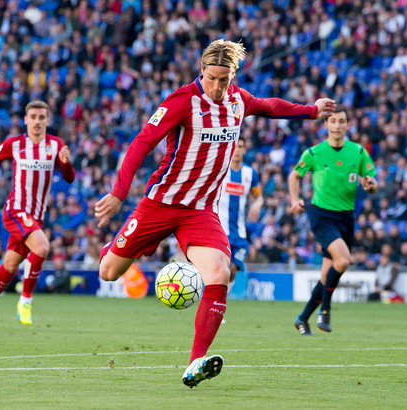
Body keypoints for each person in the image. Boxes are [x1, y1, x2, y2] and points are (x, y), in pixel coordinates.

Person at [95, 39, 335, 387]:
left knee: (220, 273)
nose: (218, 86)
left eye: (225, 79)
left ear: (233, 75)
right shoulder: (182, 101)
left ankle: (195, 363)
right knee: (108, 272)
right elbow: (142, 142)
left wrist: (310, 111)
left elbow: (270, 105)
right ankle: (123, 247)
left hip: (200, 211)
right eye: (212, 78)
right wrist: (119, 191)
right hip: (160, 203)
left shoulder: (239, 100)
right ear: (201, 72)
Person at [0, 100, 75, 331]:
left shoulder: (55, 144)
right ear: (26, 120)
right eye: (33, 117)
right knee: (42, 247)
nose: (37, 121)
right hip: (15, 209)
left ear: (48, 120)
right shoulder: (15, 144)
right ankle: (25, 301)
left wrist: (67, 163)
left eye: (42, 117)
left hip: (36, 217)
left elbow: (69, 178)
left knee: (10, 265)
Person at [289, 105, 377, 335]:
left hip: (346, 218)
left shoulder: (358, 153)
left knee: (327, 274)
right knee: (344, 260)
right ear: (326, 125)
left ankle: (302, 318)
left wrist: (370, 185)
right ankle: (325, 311)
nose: (337, 125)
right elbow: (294, 175)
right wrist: (294, 199)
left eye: (341, 121)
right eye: (333, 121)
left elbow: (372, 182)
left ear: (348, 125)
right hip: (322, 215)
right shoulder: (314, 153)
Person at [217, 137, 263, 299]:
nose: (237, 150)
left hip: (240, 232)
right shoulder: (221, 169)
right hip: (220, 230)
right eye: (235, 146)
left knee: (233, 271)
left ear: (245, 150)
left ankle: (220, 301)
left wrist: (257, 204)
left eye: (241, 146)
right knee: (223, 269)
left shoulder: (250, 173)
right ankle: (216, 305)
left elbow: (259, 197)